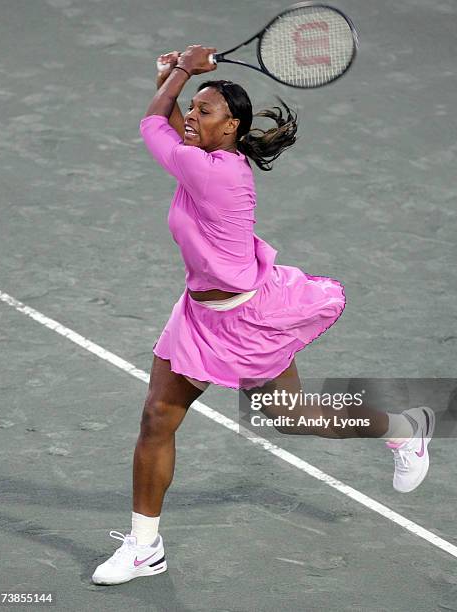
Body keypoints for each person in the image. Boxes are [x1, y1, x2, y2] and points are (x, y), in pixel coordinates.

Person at [92, 45, 435, 586]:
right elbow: (165, 117)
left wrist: (181, 72)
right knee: (157, 416)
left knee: (291, 416)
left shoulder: (215, 173)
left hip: (248, 320)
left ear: (230, 128)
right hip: (199, 316)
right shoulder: (201, 157)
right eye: (193, 110)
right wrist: (176, 79)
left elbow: (150, 121)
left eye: (204, 113)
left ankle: (402, 430)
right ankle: (143, 546)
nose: (191, 119)